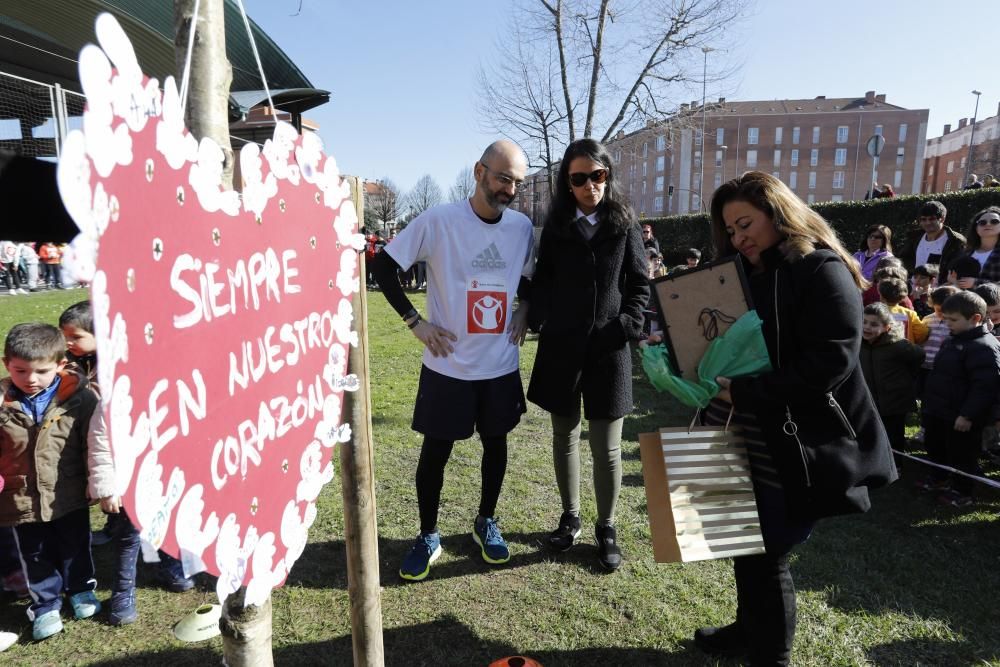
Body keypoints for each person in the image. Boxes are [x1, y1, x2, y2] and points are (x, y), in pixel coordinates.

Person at [696, 171, 896, 666]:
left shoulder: (820, 268)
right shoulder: (747, 272)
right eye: (730, 229)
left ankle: (773, 656)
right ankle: (747, 631)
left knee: (770, 552)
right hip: (755, 428)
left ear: (778, 212)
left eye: (745, 223)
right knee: (747, 540)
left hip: (805, 438)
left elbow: (831, 362)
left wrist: (747, 391)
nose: (739, 237)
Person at [370, 140, 535, 582]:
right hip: (449, 366)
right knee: (435, 453)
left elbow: (534, 278)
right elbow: (382, 268)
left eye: (517, 182)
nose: (510, 189)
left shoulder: (521, 228)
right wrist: (415, 322)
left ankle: (486, 521)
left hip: (500, 366)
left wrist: (524, 309)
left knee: (496, 445)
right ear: (479, 171)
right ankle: (428, 534)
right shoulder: (439, 220)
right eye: (503, 178)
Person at [527, 138, 649, 571]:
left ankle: (607, 526)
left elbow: (639, 285)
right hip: (563, 348)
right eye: (578, 178)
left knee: (607, 447)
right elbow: (542, 282)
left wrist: (626, 327)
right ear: (567, 182)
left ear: (607, 175)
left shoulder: (625, 222)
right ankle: (571, 517)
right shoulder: (557, 225)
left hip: (609, 349)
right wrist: (534, 313)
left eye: (597, 176)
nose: (589, 186)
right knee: (564, 436)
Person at [0, 323, 100, 640]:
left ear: (60, 365)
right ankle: (46, 604)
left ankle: (81, 588)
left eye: (42, 371)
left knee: (75, 544)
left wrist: (94, 480)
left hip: (67, 492)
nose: (31, 380)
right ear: (6, 365)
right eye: (20, 371)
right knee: (34, 553)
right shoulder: (3, 404)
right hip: (20, 499)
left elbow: (92, 443)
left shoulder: (81, 400)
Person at [920, 291, 1000, 507]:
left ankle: (963, 491)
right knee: (935, 445)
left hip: (962, 416)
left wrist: (967, 415)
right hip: (939, 410)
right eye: (945, 319)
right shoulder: (952, 340)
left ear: (975, 319)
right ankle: (940, 478)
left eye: (953, 320)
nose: (947, 325)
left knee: (962, 455)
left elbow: (984, 388)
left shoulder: (983, 347)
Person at [859, 303, 925, 454]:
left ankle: (896, 465)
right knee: (871, 432)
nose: (867, 327)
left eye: (874, 324)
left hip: (894, 401)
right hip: (869, 399)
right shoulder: (859, 343)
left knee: (893, 436)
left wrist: (905, 378)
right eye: (864, 322)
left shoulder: (898, 345)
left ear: (887, 327)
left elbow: (919, 355)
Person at [899, 201, 966, 274]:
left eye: (932, 219)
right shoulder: (915, 237)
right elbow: (905, 259)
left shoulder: (955, 241)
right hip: (914, 284)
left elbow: (958, 268)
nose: (927, 223)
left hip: (941, 285)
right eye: (924, 219)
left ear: (942, 219)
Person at [878, 277, 929, 344]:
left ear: (881, 296)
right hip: (905, 350)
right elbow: (922, 332)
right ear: (902, 298)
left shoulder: (876, 311)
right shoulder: (909, 314)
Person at [958, 205, 1000, 284]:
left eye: (994, 221)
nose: (988, 224)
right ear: (976, 228)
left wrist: (976, 282)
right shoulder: (966, 253)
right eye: (982, 222)